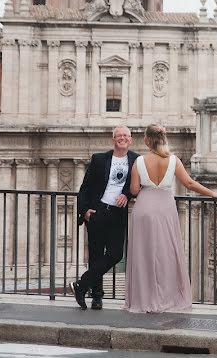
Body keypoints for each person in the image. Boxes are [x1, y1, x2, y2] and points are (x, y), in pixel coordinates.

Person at [124, 124, 217, 313]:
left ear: (147, 140)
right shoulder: (173, 160)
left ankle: (144, 297)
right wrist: (213, 194)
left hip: (144, 208)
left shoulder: (139, 161)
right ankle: (166, 296)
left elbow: (133, 190)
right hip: (165, 208)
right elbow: (189, 183)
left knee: (144, 253)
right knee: (166, 253)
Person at [72, 126, 139, 310]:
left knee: (116, 253)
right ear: (113, 140)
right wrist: (84, 210)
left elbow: (137, 185)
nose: (122, 138)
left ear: (131, 140)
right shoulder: (99, 159)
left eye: (125, 135)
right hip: (98, 211)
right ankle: (96, 296)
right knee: (96, 254)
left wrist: (127, 195)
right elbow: (85, 187)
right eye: (119, 136)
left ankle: (82, 283)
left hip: (118, 212)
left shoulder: (136, 160)